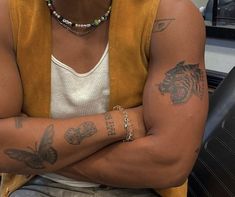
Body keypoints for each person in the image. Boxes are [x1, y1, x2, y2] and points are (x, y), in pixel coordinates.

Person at [0, 0, 208, 196]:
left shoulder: (171, 15)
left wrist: (42, 156)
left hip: (140, 189)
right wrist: (123, 122)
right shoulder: (8, 14)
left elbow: (169, 164)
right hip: (36, 184)